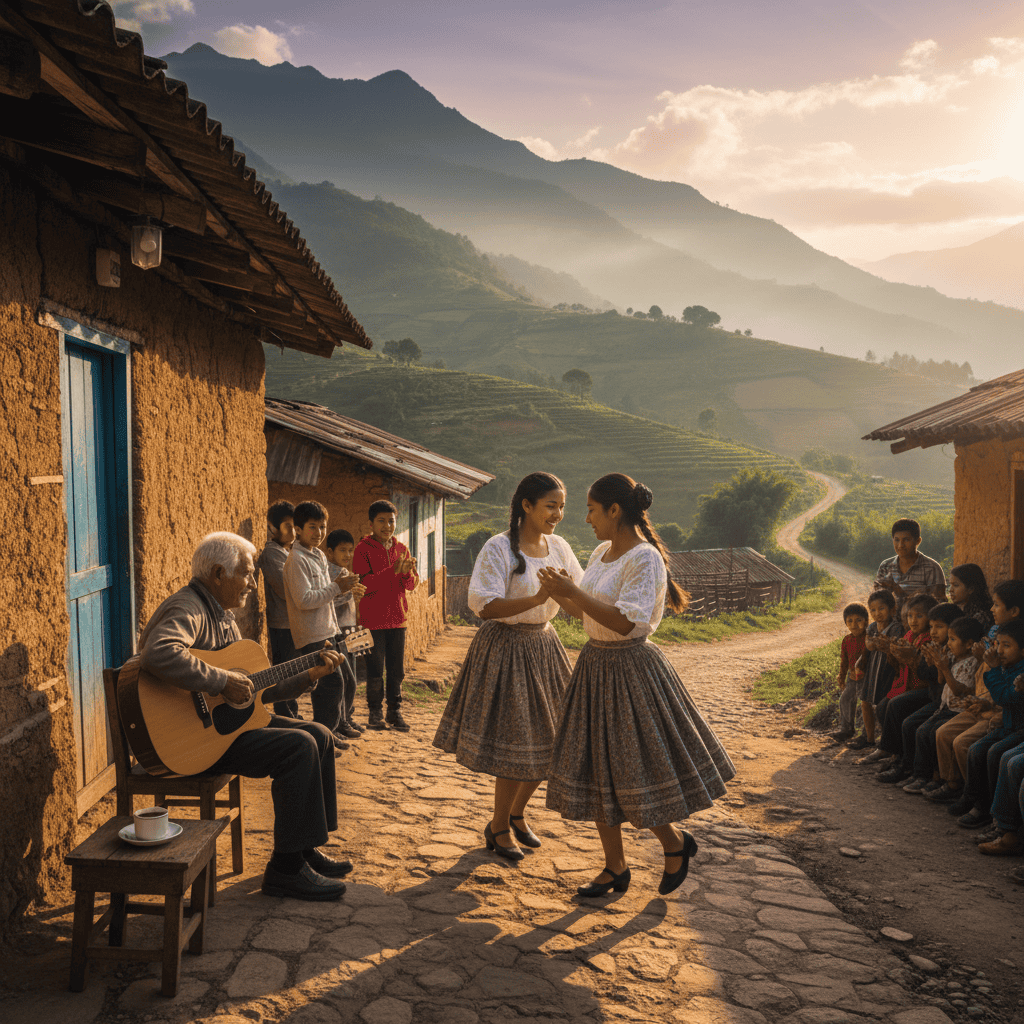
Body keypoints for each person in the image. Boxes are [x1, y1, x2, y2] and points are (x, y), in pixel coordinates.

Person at [540, 473, 735, 898]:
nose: (587, 519)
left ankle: (674, 843)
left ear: (615, 511)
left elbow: (626, 620)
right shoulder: (601, 552)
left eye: (592, 510)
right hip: (595, 666)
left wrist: (574, 589)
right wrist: (557, 593)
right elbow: (588, 615)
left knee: (633, 768)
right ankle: (615, 867)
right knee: (597, 769)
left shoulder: (644, 559)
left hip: (631, 671)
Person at [138, 532, 350, 901]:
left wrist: (308, 675)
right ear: (219, 573)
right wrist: (220, 680)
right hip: (192, 741)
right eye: (247, 574)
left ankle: (303, 849)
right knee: (298, 747)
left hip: (226, 730)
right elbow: (159, 652)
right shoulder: (187, 607)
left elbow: (258, 689)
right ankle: (284, 871)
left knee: (320, 734)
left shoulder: (223, 618)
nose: (253, 584)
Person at [433, 473, 584, 861]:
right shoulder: (499, 548)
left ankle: (516, 814)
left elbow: (576, 599)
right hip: (506, 649)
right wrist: (537, 596)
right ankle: (498, 825)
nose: (558, 514)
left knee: (556, 739)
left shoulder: (560, 548)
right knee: (519, 743)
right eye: (551, 505)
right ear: (526, 506)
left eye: (561, 506)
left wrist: (572, 599)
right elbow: (484, 606)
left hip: (544, 646)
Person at [931, 581, 1024, 803]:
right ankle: (954, 785)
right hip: (987, 705)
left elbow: (1006, 695)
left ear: (1014, 611)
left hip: (1004, 715)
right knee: (940, 731)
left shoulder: (1015, 647)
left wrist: (989, 700)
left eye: (997, 605)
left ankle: (978, 800)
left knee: (973, 747)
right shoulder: (998, 634)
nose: (992, 609)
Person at [284, 501, 365, 750]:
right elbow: (305, 599)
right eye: (312, 527)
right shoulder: (296, 560)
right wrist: (338, 587)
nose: (318, 533)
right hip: (311, 633)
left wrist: (345, 590)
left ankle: (330, 732)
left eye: (322, 527)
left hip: (328, 630)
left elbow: (326, 595)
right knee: (329, 686)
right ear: (298, 529)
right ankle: (324, 737)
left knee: (342, 682)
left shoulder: (317, 555)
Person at [950, 618, 1024, 830]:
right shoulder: (1007, 665)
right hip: (1006, 726)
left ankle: (994, 813)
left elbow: (1005, 697)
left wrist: (992, 669)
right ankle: (975, 800)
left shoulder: (1019, 672)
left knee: (995, 754)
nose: (999, 650)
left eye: (1007, 645)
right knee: (976, 750)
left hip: (1018, 730)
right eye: (998, 644)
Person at [352, 500, 418, 732]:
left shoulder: (402, 549)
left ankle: (394, 711)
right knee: (375, 668)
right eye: (381, 521)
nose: (387, 526)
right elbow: (364, 584)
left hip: (398, 619)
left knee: (396, 670)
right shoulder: (363, 549)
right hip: (372, 621)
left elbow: (410, 585)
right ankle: (374, 712)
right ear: (371, 523)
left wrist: (408, 572)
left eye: (391, 521)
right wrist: (393, 571)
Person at [900, 609, 981, 794]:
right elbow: (939, 681)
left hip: (957, 711)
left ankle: (940, 779)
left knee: (933, 733)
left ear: (969, 644)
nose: (949, 643)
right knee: (921, 730)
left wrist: (944, 668)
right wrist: (937, 664)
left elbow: (959, 690)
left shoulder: (972, 663)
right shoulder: (952, 656)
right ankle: (922, 775)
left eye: (953, 639)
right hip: (945, 707)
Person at [860, 593, 935, 770]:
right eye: (910, 616)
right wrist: (890, 650)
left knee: (894, 705)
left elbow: (925, 672)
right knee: (883, 706)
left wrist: (910, 657)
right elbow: (898, 665)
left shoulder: (929, 639)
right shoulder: (909, 635)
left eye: (919, 616)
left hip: (921, 687)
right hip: (905, 684)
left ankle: (896, 756)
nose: (913, 621)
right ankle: (892, 751)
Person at [257, 500, 300, 719]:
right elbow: (287, 590)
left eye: (295, 525)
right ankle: (285, 716)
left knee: (294, 673)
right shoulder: (272, 554)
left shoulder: (291, 552)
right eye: (287, 526)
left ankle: (292, 714)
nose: (293, 531)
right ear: (272, 527)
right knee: (285, 673)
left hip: (295, 622)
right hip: (282, 624)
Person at [850, 590, 902, 752]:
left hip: (887, 672)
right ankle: (869, 738)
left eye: (881, 609)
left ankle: (885, 741)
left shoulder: (896, 629)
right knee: (865, 702)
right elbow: (869, 646)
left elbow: (893, 649)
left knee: (882, 706)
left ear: (892, 609)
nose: (877, 613)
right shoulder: (872, 627)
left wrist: (879, 645)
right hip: (873, 670)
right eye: (872, 610)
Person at [325, 529, 362, 738]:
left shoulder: (345, 571)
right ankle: (340, 721)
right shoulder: (331, 573)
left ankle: (347, 716)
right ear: (330, 552)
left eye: (350, 550)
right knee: (344, 679)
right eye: (342, 551)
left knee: (352, 677)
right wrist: (348, 592)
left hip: (350, 629)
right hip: (338, 631)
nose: (347, 555)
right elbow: (328, 601)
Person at [874, 518, 947, 613]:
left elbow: (939, 607)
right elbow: (877, 601)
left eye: (906, 540)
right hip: (891, 625)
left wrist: (898, 591)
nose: (900, 545)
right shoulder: (886, 566)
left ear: (918, 541)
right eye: (896, 540)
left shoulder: (932, 568)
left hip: (921, 626)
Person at [833, 603, 868, 743]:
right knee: (846, 699)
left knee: (867, 705)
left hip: (867, 678)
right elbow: (844, 661)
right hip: (852, 678)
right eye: (850, 621)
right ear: (845, 623)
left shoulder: (869, 639)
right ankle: (846, 730)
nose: (854, 624)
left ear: (866, 621)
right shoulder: (847, 640)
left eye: (859, 620)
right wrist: (841, 676)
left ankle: (867, 734)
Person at [947, 563, 993, 630]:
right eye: (950, 585)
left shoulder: (980, 616)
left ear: (971, 589)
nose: (950, 590)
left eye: (956, 585)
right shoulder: (955, 610)